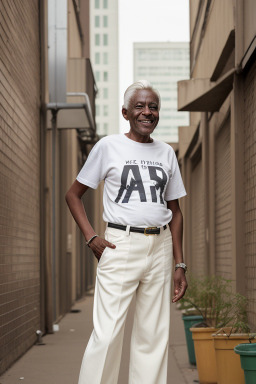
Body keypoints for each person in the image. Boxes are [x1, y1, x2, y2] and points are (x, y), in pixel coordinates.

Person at [65, 80, 188, 384]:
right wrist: (91, 236)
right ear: (125, 112)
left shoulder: (166, 153)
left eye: (153, 107)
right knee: (107, 335)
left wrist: (179, 263)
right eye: (140, 106)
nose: (148, 112)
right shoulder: (108, 146)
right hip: (120, 244)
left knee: (153, 336)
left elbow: (175, 211)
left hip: (159, 247)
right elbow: (73, 194)